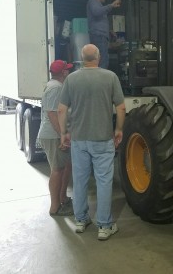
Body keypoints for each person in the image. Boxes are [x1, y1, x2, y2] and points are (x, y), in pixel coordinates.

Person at [57, 44, 126, 241]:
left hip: (79, 139)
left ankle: (80, 220)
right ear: (99, 56)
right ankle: (104, 226)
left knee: (79, 180)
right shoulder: (110, 77)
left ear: (81, 58)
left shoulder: (71, 79)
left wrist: (64, 132)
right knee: (104, 182)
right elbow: (120, 107)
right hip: (103, 139)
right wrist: (118, 129)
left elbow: (62, 109)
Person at [37, 60, 74, 216]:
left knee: (65, 166)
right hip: (53, 136)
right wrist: (62, 135)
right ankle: (55, 207)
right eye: (68, 70)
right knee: (57, 170)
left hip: (54, 134)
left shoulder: (54, 85)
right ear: (64, 73)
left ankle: (63, 198)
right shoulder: (56, 88)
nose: (69, 72)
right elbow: (53, 113)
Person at [86, 0, 121, 69]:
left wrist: (109, 31)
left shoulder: (99, 5)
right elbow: (96, 12)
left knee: (103, 60)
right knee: (102, 62)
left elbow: (99, 20)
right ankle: (102, 81)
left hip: (100, 36)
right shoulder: (92, 1)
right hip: (99, 36)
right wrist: (111, 5)